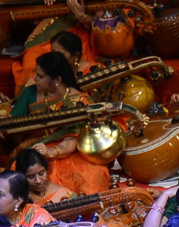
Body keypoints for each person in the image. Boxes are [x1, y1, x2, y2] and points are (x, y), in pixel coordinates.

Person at [9, 50, 108, 195]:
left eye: (40, 76)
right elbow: (12, 124)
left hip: (71, 150)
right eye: (36, 74)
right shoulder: (30, 93)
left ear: (57, 80)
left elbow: (75, 138)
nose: (34, 79)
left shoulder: (77, 101)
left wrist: (51, 152)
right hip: (35, 149)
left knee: (85, 178)